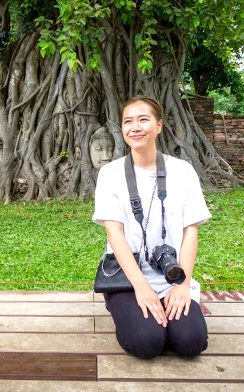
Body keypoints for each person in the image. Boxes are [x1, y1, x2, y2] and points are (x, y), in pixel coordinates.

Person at [92, 95, 211, 359]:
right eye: (128, 121)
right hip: (127, 277)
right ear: (122, 129)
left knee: (192, 343)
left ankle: (159, 321)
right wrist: (141, 287)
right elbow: (114, 233)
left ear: (158, 125)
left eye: (143, 120)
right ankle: (134, 317)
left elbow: (191, 231)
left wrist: (183, 284)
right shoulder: (110, 174)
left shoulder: (183, 171)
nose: (135, 127)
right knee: (147, 344)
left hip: (171, 274)